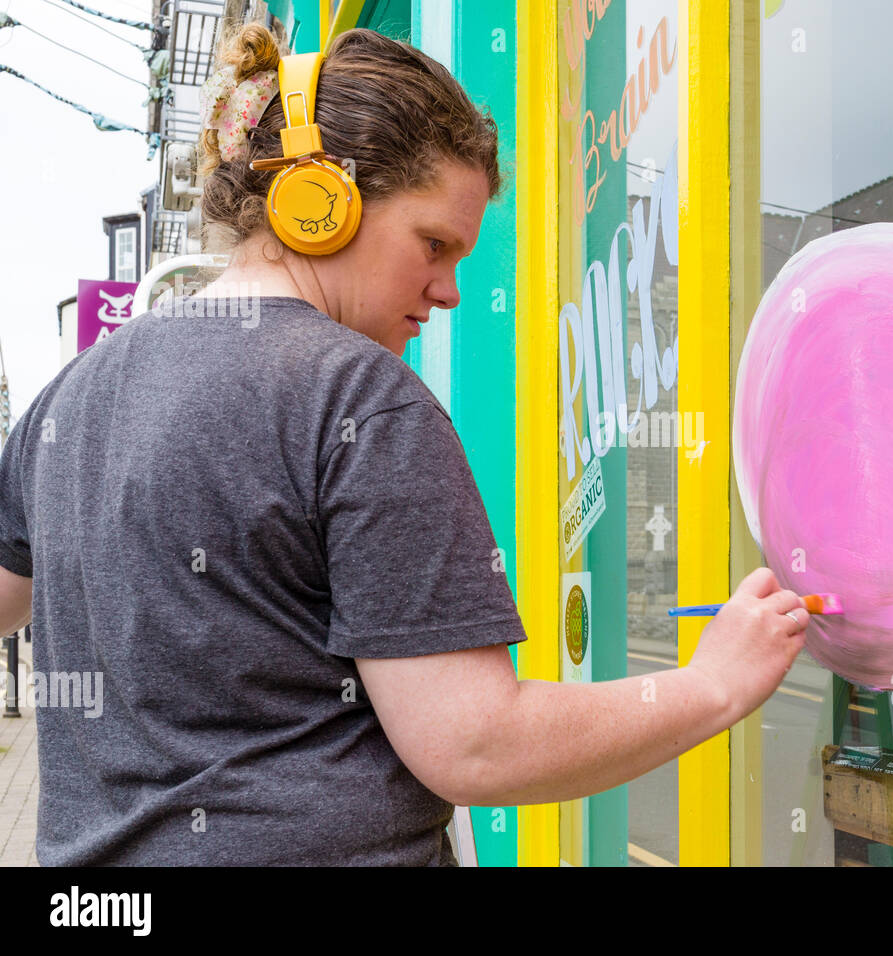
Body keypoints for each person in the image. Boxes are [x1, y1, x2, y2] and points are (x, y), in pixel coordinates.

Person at [0, 24, 809, 866]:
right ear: (319, 204)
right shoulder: (357, 398)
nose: (452, 291)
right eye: (434, 245)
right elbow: (476, 743)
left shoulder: (72, 397)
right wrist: (712, 685)